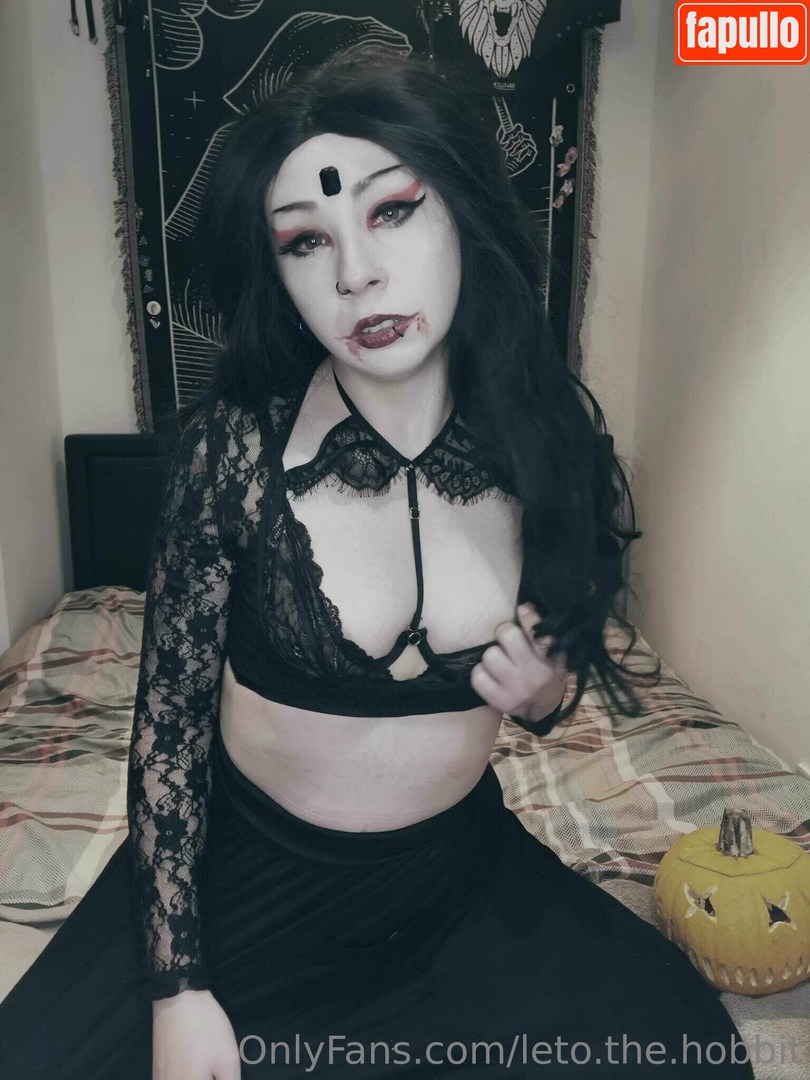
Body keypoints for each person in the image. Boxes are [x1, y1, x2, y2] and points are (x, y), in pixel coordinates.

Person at [0, 53, 755, 1080]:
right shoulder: (234, 457)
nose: (355, 273)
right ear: (278, 273)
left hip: (453, 884)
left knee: (684, 1050)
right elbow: (167, 735)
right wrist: (180, 989)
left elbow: (551, 685)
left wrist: (546, 692)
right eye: (307, 240)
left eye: (392, 211)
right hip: (248, 893)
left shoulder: (544, 446)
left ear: (463, 214)